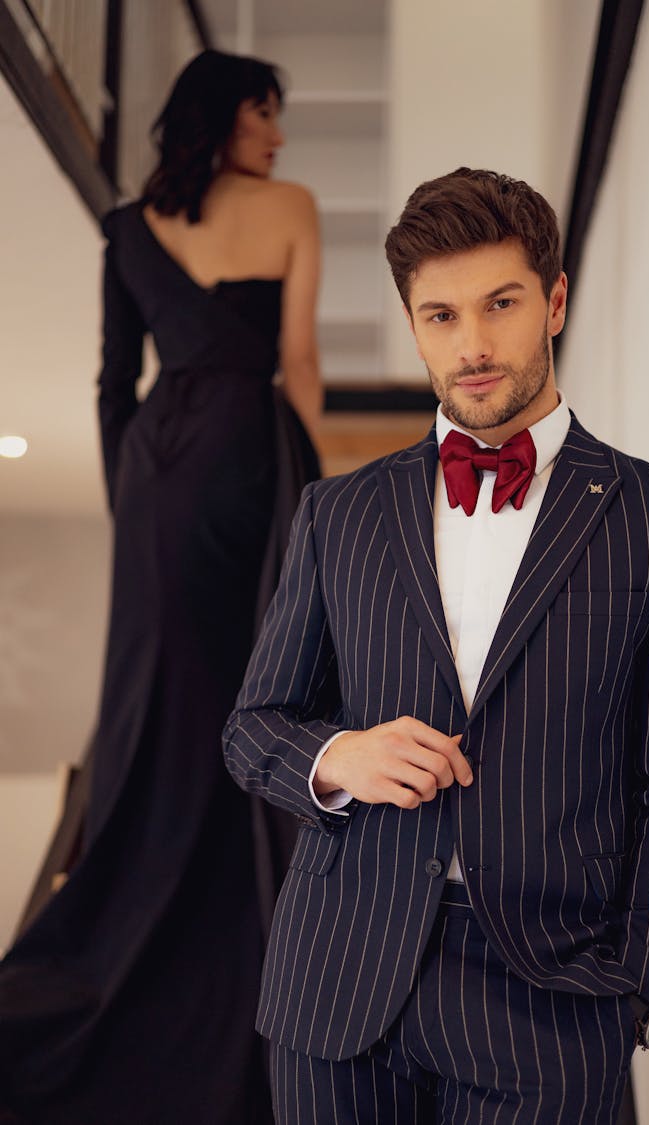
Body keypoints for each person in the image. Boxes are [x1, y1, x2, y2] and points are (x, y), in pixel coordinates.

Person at [222, 168, 649, 1123]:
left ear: (556, 300)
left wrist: (641, 989)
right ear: (414, 326)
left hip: (553, 1000)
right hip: (340, 981)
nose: (474, 345)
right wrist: (339, 757)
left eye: (502, 304)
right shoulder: (339, 512)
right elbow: (252, 727)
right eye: (441, 316)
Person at [0, 49, 321, 1124]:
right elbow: (301, 363)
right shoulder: (292, 206)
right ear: (225, 117)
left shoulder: (130, 225)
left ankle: (127, 935)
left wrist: (130, 497)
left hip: (153, 472)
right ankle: (250, 939)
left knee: (158, 706)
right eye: (265, 115)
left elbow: (110, 382)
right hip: (241, 455)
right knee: (258, 688)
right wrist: (319, 505)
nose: (278, 136)